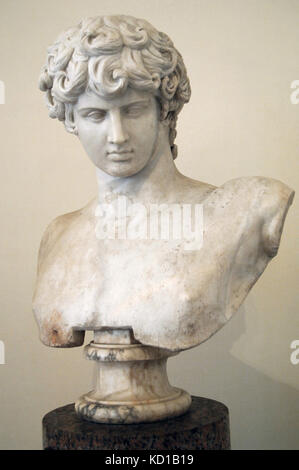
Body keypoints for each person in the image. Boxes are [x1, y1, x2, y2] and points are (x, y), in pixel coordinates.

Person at [33, 15, 294, 351]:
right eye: (95, 115)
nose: (117, 136)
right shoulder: (59, 235)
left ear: (165, 110)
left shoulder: (243, 209)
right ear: (71, 119)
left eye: (133, 110)